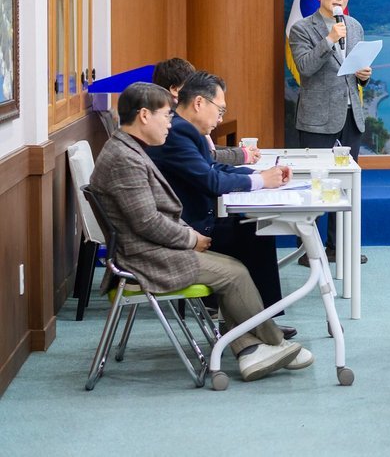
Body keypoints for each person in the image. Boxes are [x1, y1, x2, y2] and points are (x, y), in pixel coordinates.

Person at [88, 82, 311, 382]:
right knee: (234, 273)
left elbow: (155, 214)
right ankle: (272, 343)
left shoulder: (127, 149)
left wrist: (187, 234)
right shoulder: (124, 160)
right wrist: (191, 238)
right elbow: (148, 223)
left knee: (235, 267)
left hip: (150, 248)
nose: (170, 124)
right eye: (165, 116)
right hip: (145, 259)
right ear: (144, 116)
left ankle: (251, 349)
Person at [144, 71, 297, 337]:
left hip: (192, 220)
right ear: (199, 103)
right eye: (220, 110)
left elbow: (212, 168)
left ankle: (255, 321)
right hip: (188, 231)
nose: (221, 119)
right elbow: (211, 181)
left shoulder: (183, 129)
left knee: (252, 229)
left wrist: (258, 176)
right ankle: (258, 324)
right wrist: (261, 180)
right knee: (254, 233)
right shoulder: (177, 132)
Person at [287, 0, 371, 263]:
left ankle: (340, 247)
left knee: (346, 184)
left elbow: (354, 70)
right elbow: (305, 67)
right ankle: (308, 250)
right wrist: (329, 39)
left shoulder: (355, 26)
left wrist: (363, 76)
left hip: (350, 115)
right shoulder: (302, 29)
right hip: (317, 118)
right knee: (315, 185)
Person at [152, 56, 257, 166]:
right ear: (175, 89)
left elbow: (204, 149)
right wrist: (242, 154)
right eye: (190, 85)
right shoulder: (172, 121)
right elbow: (203, 156)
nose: (194, 90)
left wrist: (239, 151)